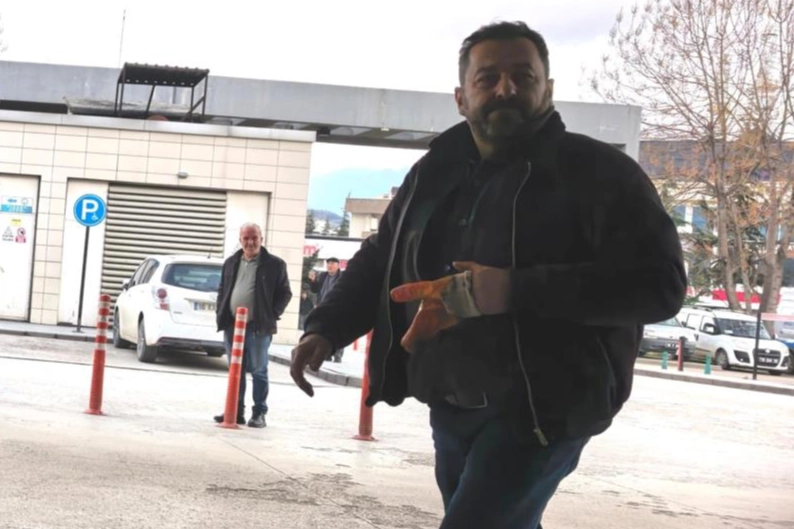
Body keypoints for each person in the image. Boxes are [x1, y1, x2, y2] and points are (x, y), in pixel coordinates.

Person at [291, 21, 686, 529]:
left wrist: (514, 290)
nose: (506, 89)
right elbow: (380, 257)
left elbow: (660, 285)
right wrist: (326, 328)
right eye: (488, 78)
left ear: (548, 89)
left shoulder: (601, 174)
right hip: (450, 398)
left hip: (545, 407)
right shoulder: (432, 173)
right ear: (461, 97)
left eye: (523, 76)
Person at [214, 222, 292, 428]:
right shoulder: (231, 262)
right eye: (246, 238)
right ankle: (235, 410)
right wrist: (220, 311)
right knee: (235, 370)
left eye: (254, 238)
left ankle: (259, 413)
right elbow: (222, 289)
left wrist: (271, 315)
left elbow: (285, 293)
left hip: (258, 328)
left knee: (258, 369)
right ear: (240, 240)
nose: (250, 242)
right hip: (232, 325)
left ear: (261, 239)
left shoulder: (275, 264)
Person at [309, 257, 345, 362]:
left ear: (338, 265)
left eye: (332, 264)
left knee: (338, 331)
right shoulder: (323, 276)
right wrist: (313, 281)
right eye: (328, 263)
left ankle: (338, 354)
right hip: (323, 307)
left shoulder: (343, 277)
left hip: (337, 307)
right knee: (325, 332)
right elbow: (315, 290)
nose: (330, 266)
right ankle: (327, 354)